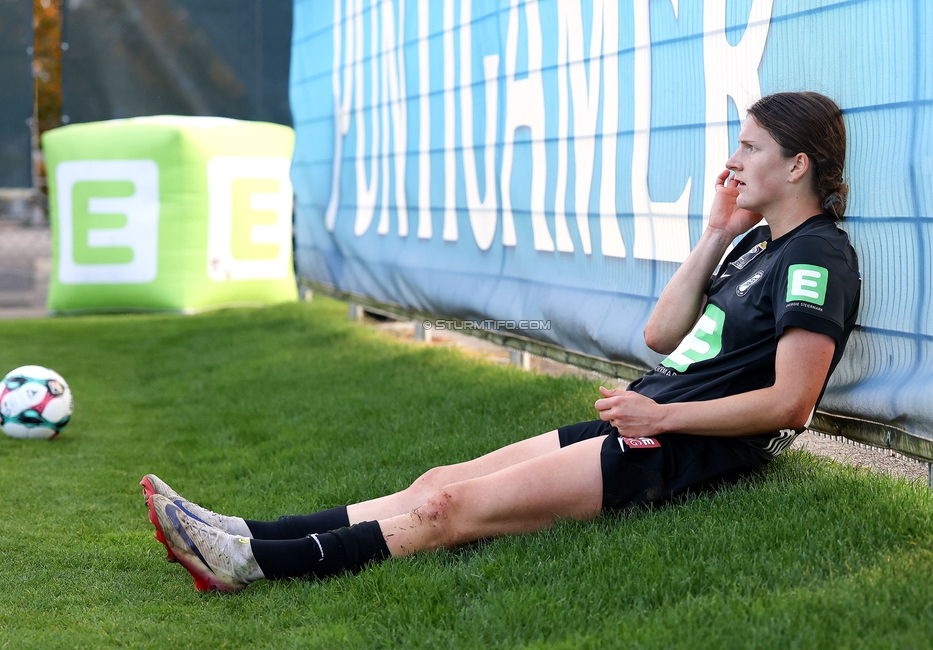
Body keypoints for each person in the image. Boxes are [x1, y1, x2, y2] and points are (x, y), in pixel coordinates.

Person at [144, 91, 861, 593]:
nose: (733, 160)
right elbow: (661, 334)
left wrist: (663, 417)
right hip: (647, 422)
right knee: (434, 483)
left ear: (797, 165)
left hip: (680, 445)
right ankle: (244, 533)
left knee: (446, 512)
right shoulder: (755, 246)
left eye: (749, 145)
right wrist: (715, 232)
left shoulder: (817, 256)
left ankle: (248, 566)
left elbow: (791, 404)